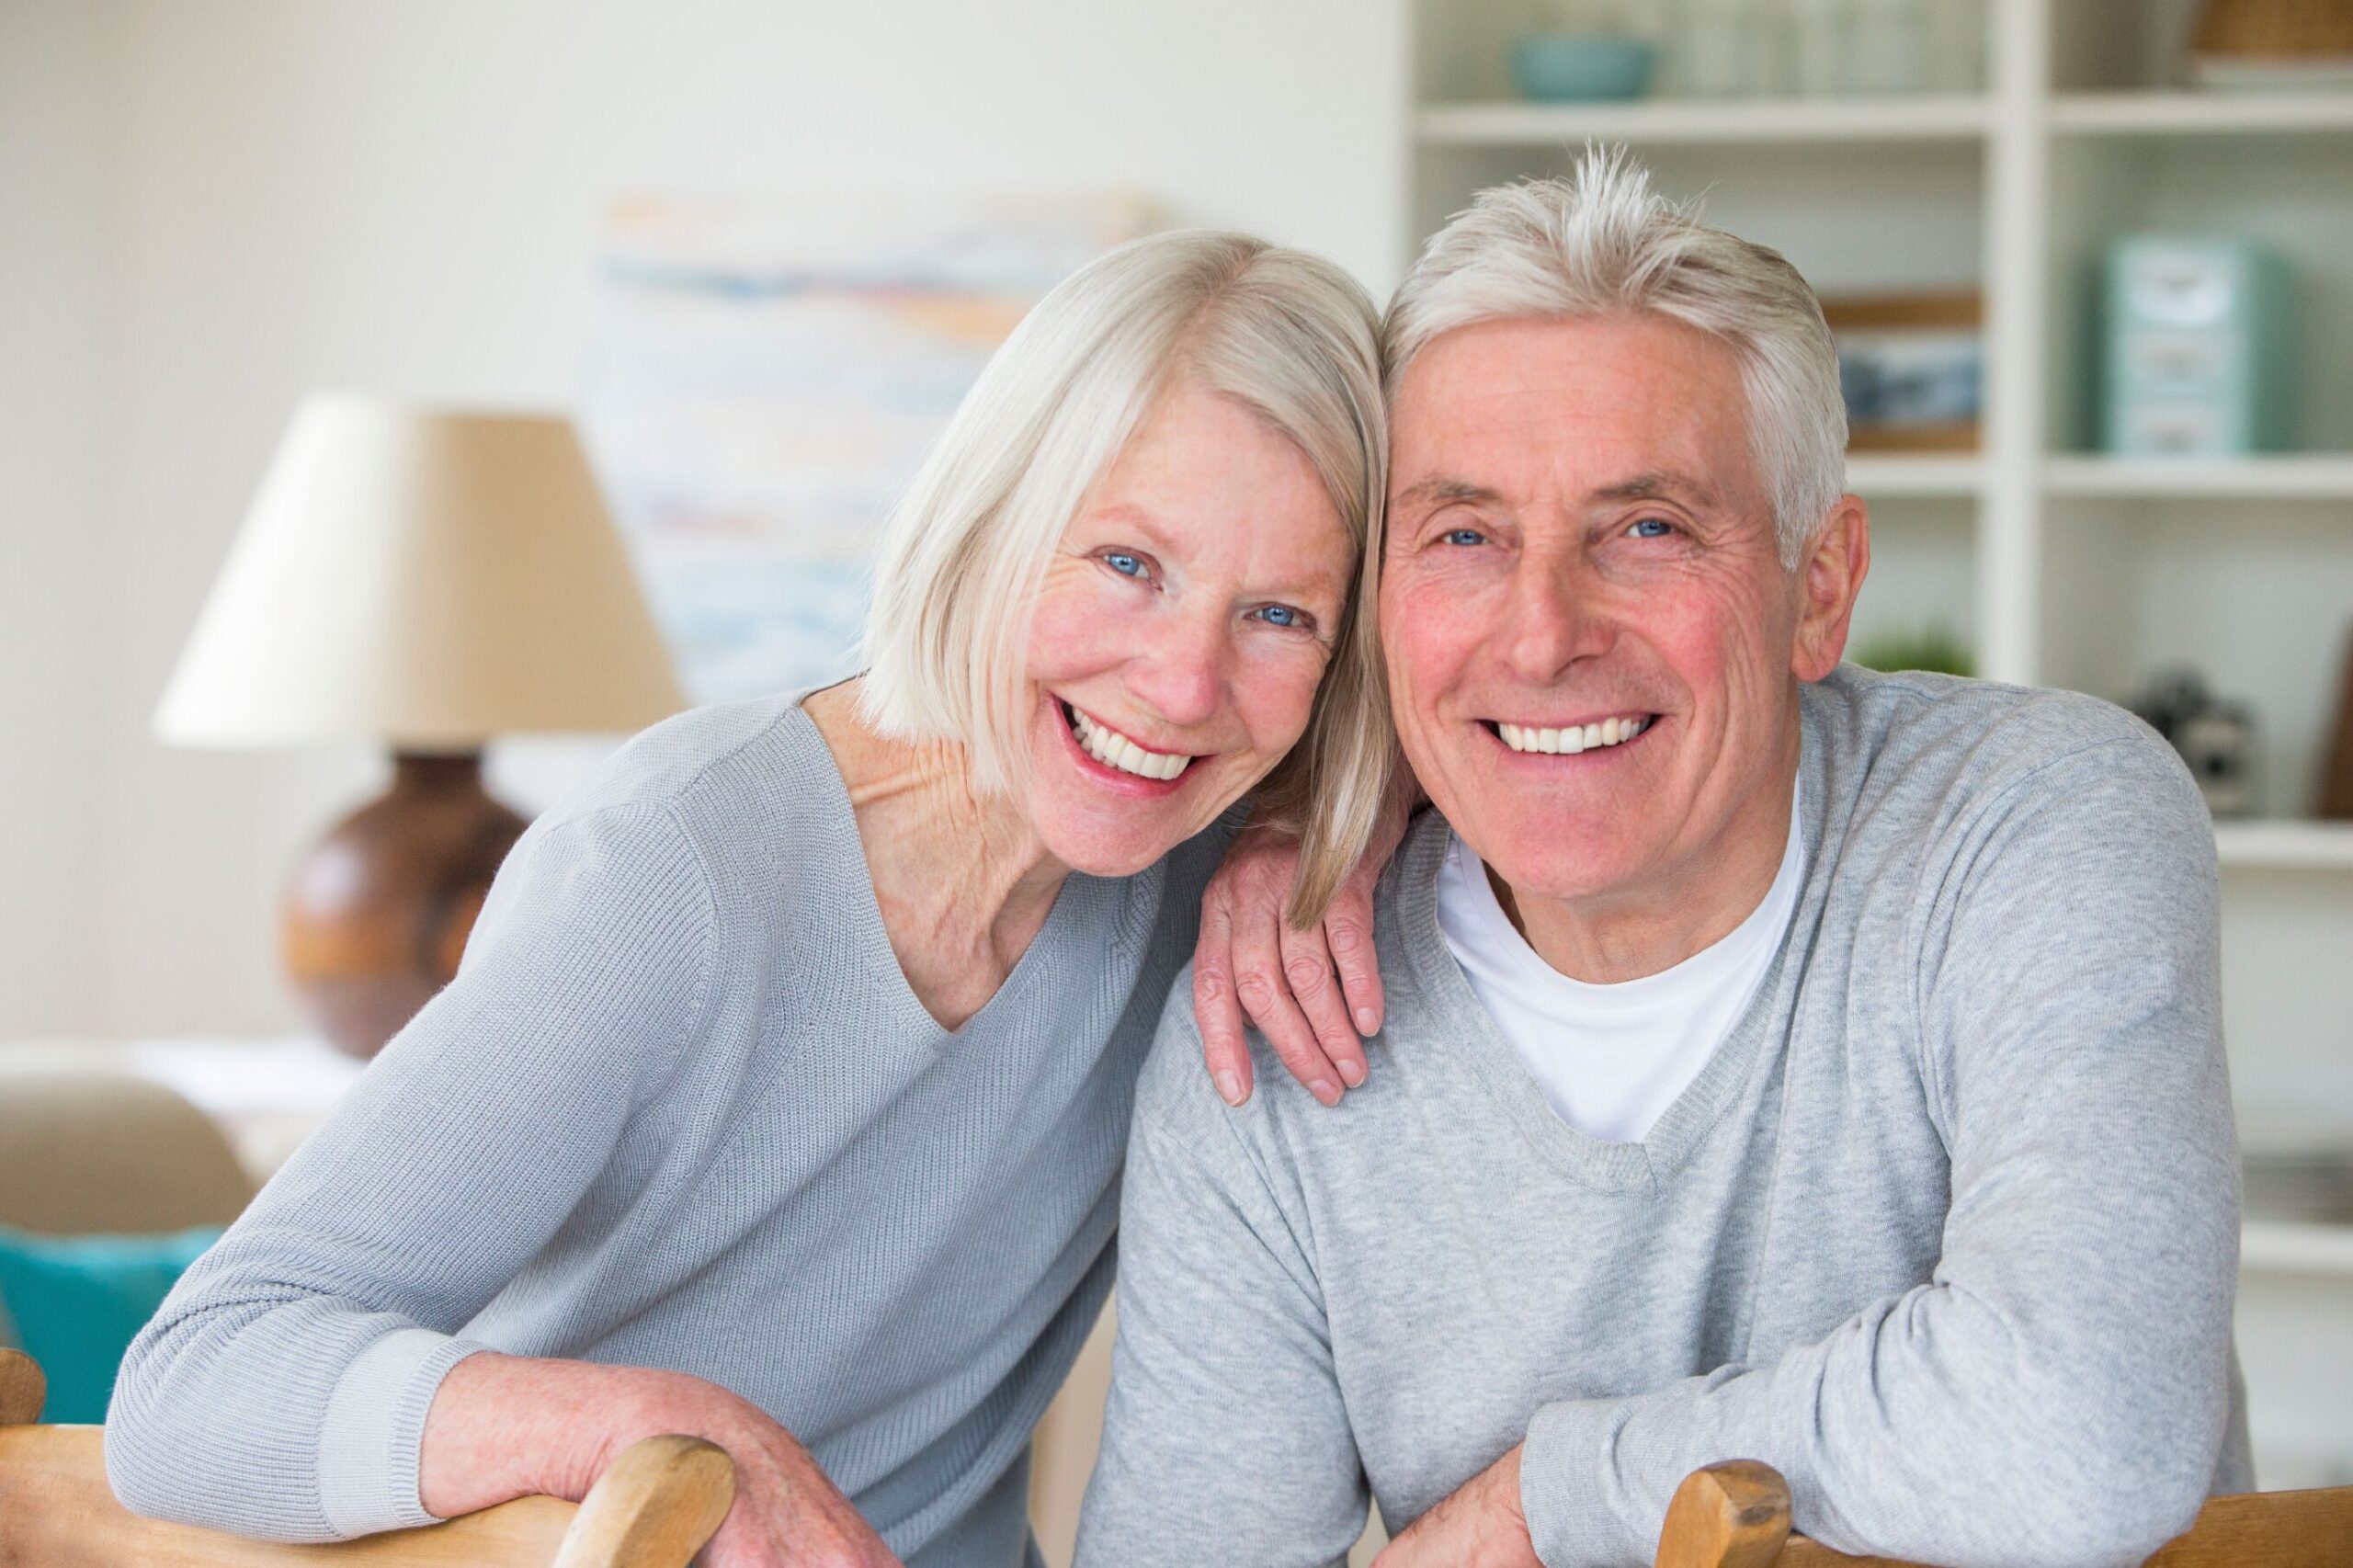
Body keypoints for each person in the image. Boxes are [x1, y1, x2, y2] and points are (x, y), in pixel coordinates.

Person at [106, 228, 1394, 1568]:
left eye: (1280, 617)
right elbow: (194, 1381)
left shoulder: (1213, 874)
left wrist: (1323, 826)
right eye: (1129, 563)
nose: (1184, 684)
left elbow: (1491, 699)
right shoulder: (673, 869)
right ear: (992, 519)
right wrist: (658, 1430)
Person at [1080, 151, 2249, 1568]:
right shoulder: (1276, 1010)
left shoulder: (2028, 824)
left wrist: (1548, 1497)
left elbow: (2078, 1436)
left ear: (1817, 589)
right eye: (1463, 534)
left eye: (1645, 529)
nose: (1540, 633)